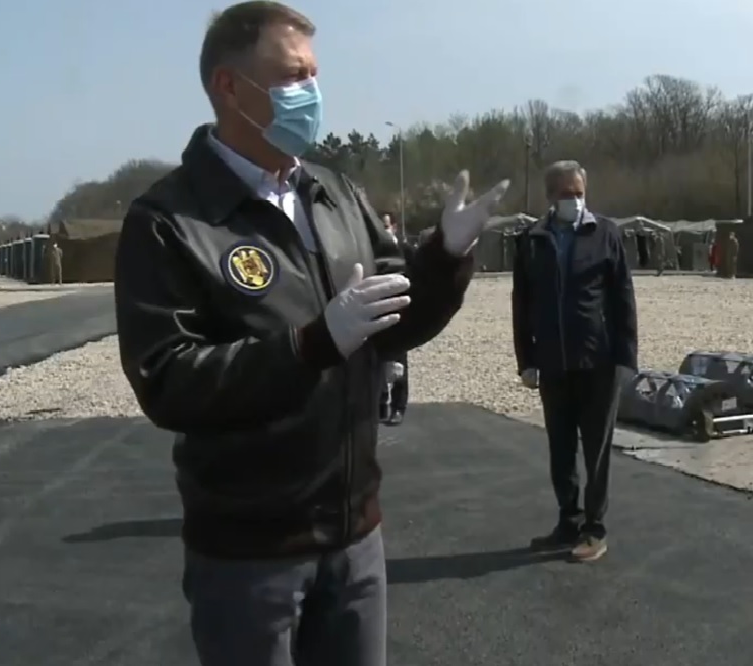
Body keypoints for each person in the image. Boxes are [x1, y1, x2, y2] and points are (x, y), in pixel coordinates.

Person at [112, 3, 508, 665]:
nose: (312, 93)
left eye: (314, 75)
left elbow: (394, 321)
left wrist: (443, 259)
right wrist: (311, 344)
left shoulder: (334, 193)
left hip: (355, 538)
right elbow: (169, 380)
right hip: (249, 557)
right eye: (293, 77)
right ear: (229, 87)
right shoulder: (169, 221)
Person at [512, 160, 638, 563]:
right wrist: (526, 359)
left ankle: (594, 528)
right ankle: (568, 520)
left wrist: (626, 357)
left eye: (579, 192)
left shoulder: (606, 234)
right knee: (560, 448)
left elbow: (623, 296)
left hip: (598, 361)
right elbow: (522, 303)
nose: (575, 200)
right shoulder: (532, 240)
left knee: (596, 450)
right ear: (550, 196)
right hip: (553, 362)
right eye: (567, 194)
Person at [378, 212, 409, 426]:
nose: (383, 231)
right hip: (378, 308)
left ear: (394, 228)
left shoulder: (405, 251)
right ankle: (380, 405)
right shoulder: (372, 250)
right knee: (377, 359)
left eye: (386, 226)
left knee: (399, 361)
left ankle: (398, 407)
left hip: (401, 308)